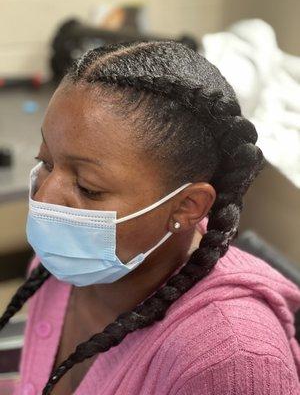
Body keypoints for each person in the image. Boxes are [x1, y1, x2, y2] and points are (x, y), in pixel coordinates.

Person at [1, 40, 300, 395]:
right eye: (46, 162)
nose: (45, 198)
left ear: (187, 206)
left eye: (89, 187)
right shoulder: (58, 264)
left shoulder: (231, 360)